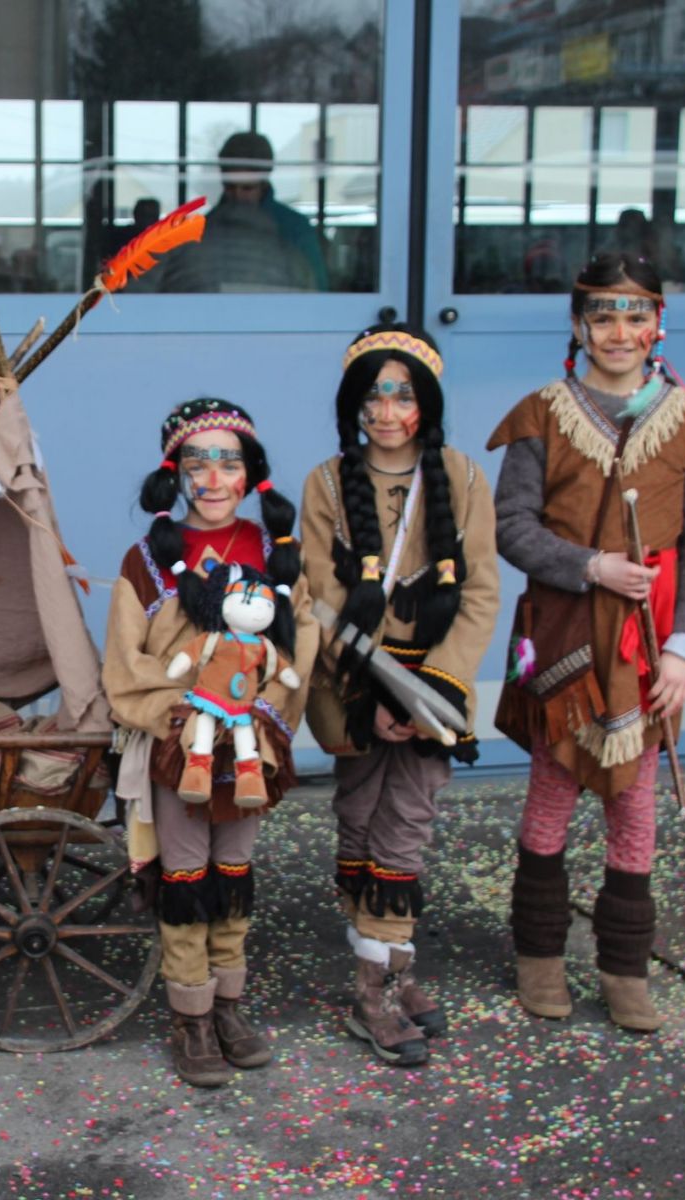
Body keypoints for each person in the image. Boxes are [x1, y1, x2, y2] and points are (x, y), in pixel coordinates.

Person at [489, 253, 685, 1032]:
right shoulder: (542, 415)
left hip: (645, 645)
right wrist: (590, 565)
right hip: (560, 633)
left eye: (636, 315)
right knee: (553, 789)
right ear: (578, 325)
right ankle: (540, 958)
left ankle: (625, 968)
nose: (619, 332)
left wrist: (684, 648)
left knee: (634, 802)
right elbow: (510, 526)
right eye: (602, 316)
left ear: (659, 323)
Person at [300, 324, 500, 1067]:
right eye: (374, 395)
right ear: (354, 404)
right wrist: (374, 693)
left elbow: (480, 592)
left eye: (403, 395)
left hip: (431, 693)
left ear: (427, 404)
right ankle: (387, 969)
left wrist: (430, 694)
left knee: (406, 827)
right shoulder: (326, 483)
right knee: (359, 819)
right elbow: (319, 596)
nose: (387, 411)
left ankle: (377, 986)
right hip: (355, 687)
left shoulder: (465, 478)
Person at [104, 398, 316, 1087]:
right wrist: (180, 714)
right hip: (179, 747)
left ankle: (228, 1005)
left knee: (234, 872)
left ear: (251, 473)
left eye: (230, 462)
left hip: (252, 747)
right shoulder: (145, 561)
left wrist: (264, 717)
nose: (214, 479)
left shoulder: (276, 555)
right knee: (185, 876)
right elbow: (125, 661)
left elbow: (299, 648)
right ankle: (190, 1016)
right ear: (177, 473)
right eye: (199, 463)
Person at [160, 132, 329, 293]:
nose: (238, 195)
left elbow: (315, 290)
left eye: (247, 188)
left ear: (264, 181)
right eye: (229, 187)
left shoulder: (294, 228)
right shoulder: (206, 228)